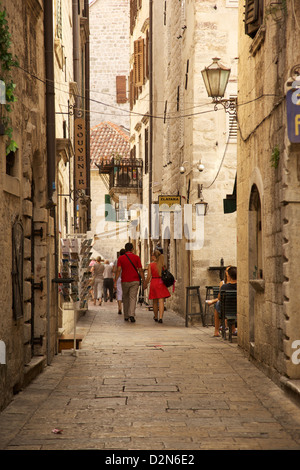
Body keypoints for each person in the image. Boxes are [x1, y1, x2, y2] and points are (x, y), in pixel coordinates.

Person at [114, 242, 145, 323]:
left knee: (126, 297)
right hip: (135, 280)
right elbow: (140, 270)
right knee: (133, 297)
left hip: (125, 280)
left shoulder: (121, 258)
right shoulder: (136, 257)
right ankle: (131, 314)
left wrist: (115, 281)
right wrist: (144, 280)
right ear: (132, 249)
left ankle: (126, 315)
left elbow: (118, 270)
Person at [144, 250, 170, 323]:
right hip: (161, 282)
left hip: (154, 282)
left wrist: (145, 283)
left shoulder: (151, 265)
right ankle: (161, 317)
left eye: (152, 255)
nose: (151, 256)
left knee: (155, 301)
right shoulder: (162, 265)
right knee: (161, 301)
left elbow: (149, 276)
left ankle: (156, 316)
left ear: (154, 256)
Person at [213, 266, 237, 337]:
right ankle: (233, 329)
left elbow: (219, 298)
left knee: (217, 304)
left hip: (226, 311)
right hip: (238, 310)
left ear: (229, 275)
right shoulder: (241, 286)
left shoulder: (224, 287)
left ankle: (216, 331)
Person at [113, 249, 125, 315]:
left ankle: (119, 307)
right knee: (125, 293)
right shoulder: (126, 259)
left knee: (119, 293)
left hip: (118, 278)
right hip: (125, 278)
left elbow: (114, 270)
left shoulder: (116, 261)